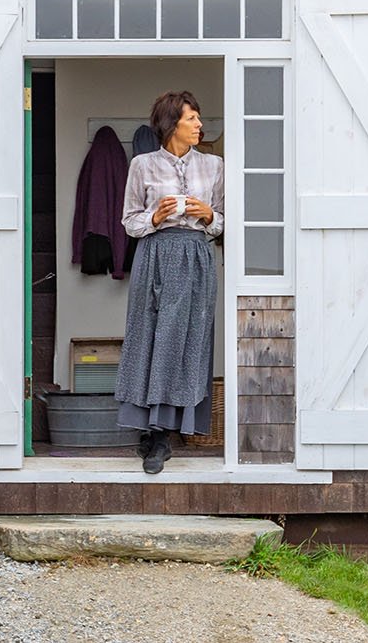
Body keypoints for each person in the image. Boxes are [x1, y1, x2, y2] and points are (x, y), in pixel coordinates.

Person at [114, 89, 223, 473]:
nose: (199, 125)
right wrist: (156, 218)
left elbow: (224, 223)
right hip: (155, 255)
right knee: (148, 336)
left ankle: (171, 432)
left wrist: (208, 214)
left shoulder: (214, 166)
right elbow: (130, 222)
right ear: (171, 122)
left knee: (188, 340)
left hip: (195, 257)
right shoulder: (143, 165)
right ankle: (152, 433)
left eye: (198, 118)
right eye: (192, 118)